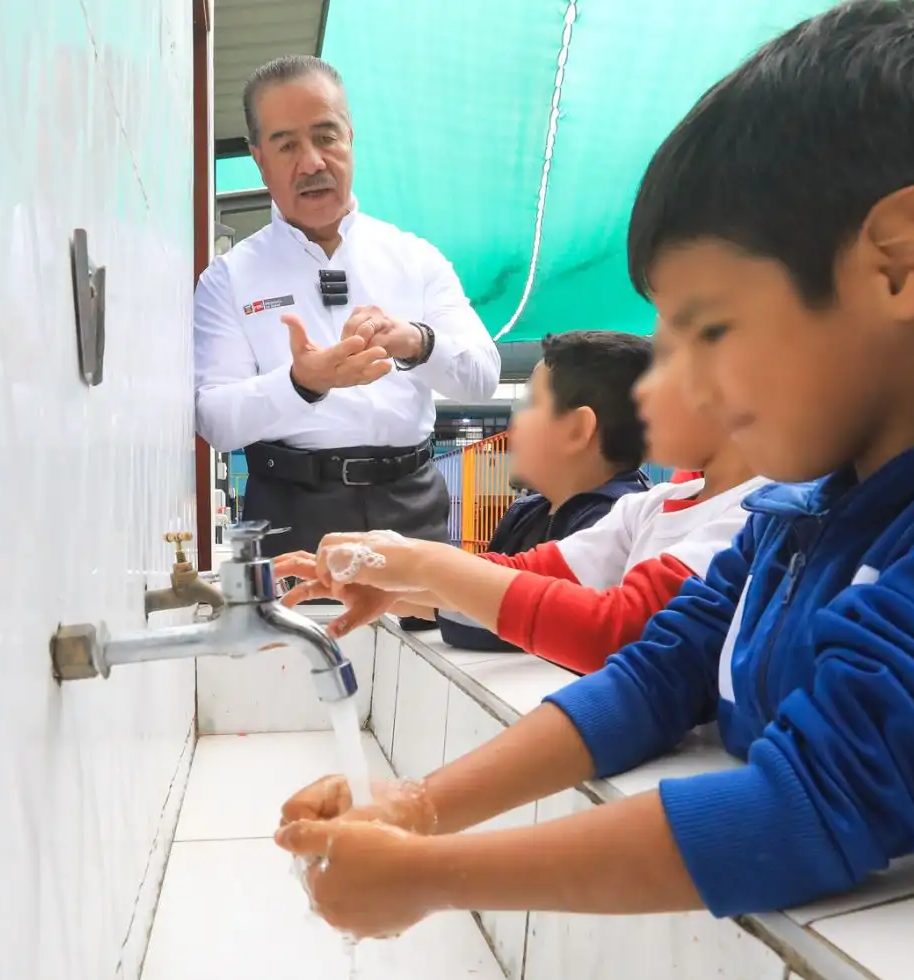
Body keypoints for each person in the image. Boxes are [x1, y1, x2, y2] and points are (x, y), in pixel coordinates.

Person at [272, 0, 914, 980]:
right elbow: (657, 675)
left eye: (713, 328)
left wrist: (433, 878)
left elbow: (809, 809)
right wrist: (416, 809)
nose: (693, 386)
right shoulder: (811, 505)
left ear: (901, 265)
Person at [277, 327, 764, 672]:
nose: (646, 395)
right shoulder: (654, 505)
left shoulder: (754, 515)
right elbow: (520, 575)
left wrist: (420, 565)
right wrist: (396, 584)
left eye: (670, 370)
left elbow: (617, 627)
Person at [193, 56, 501, 556]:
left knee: (421, 635)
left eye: (326, 136)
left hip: (412, 506)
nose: (312, 161)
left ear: (350, 138)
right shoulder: (229, 278)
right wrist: (302, 382)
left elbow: (483, 377)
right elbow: (214, 419)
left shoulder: (415, 258)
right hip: (292, 511)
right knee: (293, 637)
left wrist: (417, 342)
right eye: (287, 144)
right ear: (259, 160)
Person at [426, 331, 653, 652]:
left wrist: (420, 583)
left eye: (530, 403)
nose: (512, 425)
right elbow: (480, 590)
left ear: (576, 430)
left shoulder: (615, 520)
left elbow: (508, 621)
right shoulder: (526, 512)